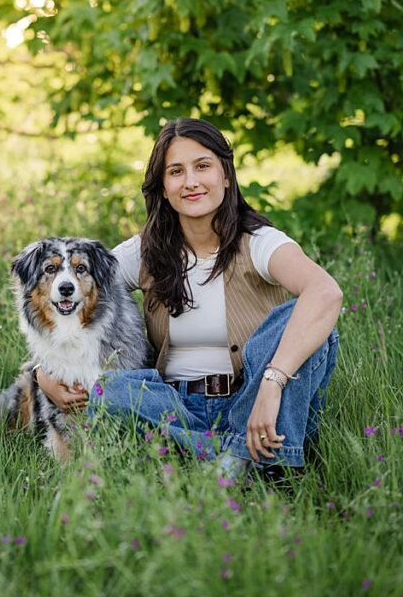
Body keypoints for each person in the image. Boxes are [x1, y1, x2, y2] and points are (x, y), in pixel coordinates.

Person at [35, 117, 341, 478]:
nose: (191, 181)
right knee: (109, 390)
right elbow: (73, 296)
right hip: (175, 406)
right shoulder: (145, 252)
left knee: (301, 319)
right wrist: (42, 373)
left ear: (225, 175)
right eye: (176, 171)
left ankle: (260, 462)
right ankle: (236, 458)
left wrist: (272, 383)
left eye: (202, 166)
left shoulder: (260, 242)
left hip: (254, 398)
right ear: (163, 187)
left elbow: (326, 292)